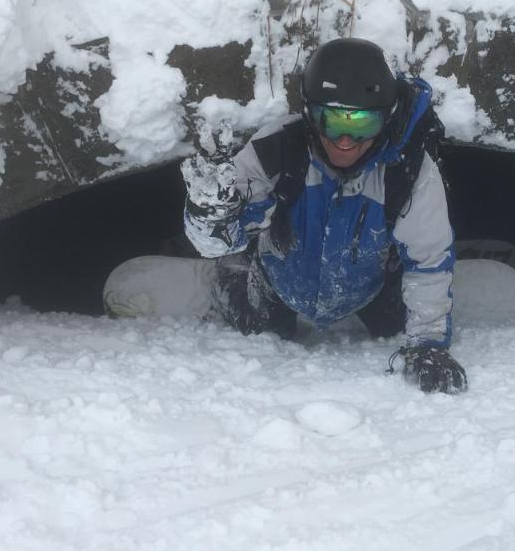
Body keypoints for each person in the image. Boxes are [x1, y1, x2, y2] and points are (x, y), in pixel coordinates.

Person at [181, 37, 467, 394]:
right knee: (261, 332)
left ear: (386, 119)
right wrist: (210, 216)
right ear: (309, 113)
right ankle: (231, 278)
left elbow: (427, 261)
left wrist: (428, 344)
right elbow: (214, 241)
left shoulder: (408, 173)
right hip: (281, 278)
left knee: (396, 329)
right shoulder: (278, 151)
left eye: (361, 124)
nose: (344, 140)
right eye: (330, 120)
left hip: (369, 282)